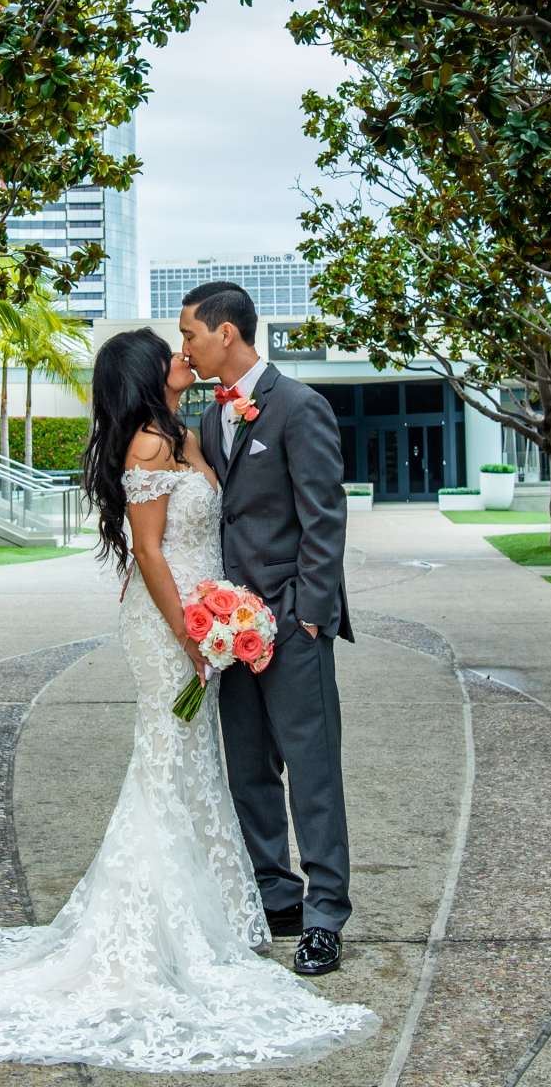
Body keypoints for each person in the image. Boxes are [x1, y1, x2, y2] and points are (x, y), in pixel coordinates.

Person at [0, 327, 378, 1073]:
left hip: (230, 619)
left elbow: (272, 514)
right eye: (170, 349)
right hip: (173, 626)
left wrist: (259, 614)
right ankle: (181, 915)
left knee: (222, 762)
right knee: (175, 759)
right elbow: (149, 550)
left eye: (189, 337)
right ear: (146, 374)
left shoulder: (198, 428)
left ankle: (260, 906)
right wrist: (190, 629)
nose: (183, 352)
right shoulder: (148, 443)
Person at [177, 280, 355, 977]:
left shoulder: (300, 407)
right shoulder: (208, 411)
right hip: (228, 629)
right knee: (248, 769)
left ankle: (325, 915)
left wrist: (309, 617)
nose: (183, 346)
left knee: (311, 772)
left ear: (227, 333)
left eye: (190, 332)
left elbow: (324, 518)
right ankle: (276, 895)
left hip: (289, 623)